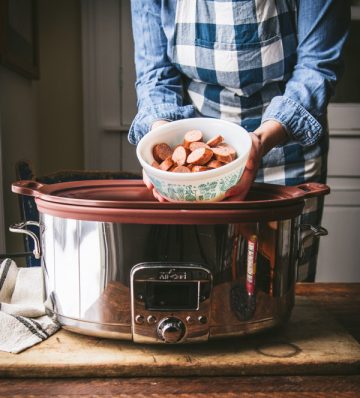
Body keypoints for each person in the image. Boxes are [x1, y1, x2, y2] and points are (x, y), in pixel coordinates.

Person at [128, 0, 350, 281]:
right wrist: (162, 143)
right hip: (197, 174)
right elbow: (154, 73)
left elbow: (317, 65)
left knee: (279, 278)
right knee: (205, 279)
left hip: (286, 146)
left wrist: (259, 140)